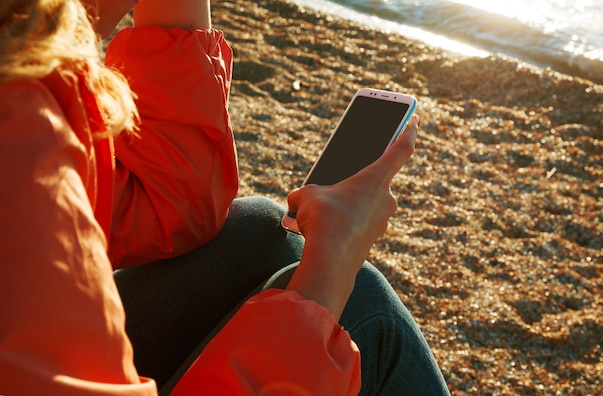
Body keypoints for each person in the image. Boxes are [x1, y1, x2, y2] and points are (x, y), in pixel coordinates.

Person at [0, 0, 451, 394]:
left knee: (261, 230)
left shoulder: (19, 80)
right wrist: (333, 264)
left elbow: (172, 208)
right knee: (363, 307)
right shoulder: (20, 143)